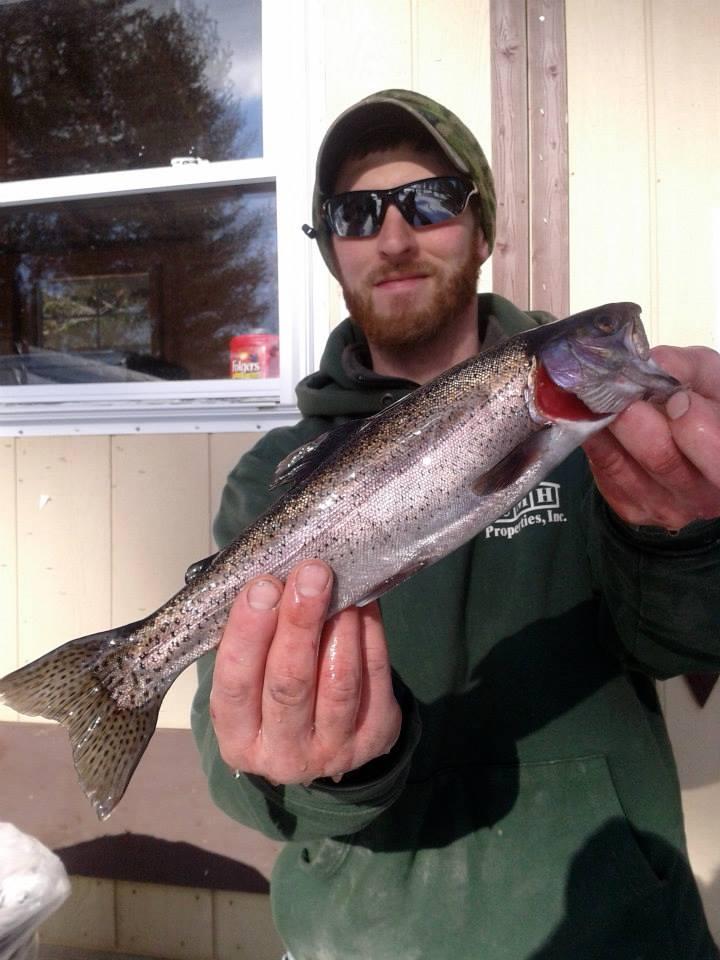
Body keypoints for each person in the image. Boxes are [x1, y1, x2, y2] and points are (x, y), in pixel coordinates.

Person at [191, 90, 720, 959]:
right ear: (331, 251)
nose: (393, 237)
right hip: (360, 939)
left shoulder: (606, 443)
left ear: (482, 230)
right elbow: (238, 777)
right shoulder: (267, 478)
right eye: (356, 215)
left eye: (430, 200)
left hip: (615, 932)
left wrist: (689, 540)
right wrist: (333, 769)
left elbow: (691, 646)